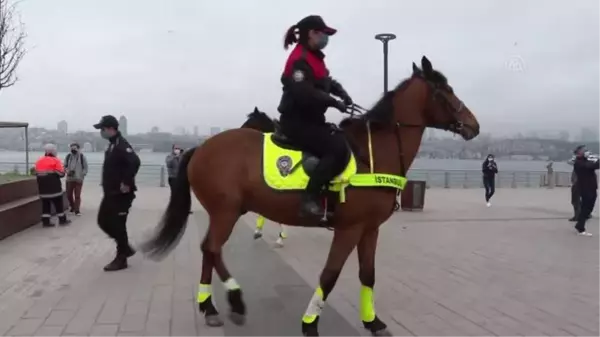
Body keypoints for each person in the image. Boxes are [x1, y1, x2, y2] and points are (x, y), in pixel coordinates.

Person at [277, 15, 353, 218]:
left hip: (311, 121)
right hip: (296, 122)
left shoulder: (314, 57)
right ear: (312, 33)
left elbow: (326, 80)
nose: (326, 38)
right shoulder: (298, 60)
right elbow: (305, 93)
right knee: (336, 148)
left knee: (341, 140)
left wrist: (342, 93)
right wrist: (333, 102)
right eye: (324, 34)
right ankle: (309, 198)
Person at [93, 115, 141, 271]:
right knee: (103, 221)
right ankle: (125, 247)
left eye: (102, 129)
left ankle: (121, 258)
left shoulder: (121, 145)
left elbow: (135, 162)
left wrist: (126, 182)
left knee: (119, 225)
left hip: (121, 195)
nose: (101, 132)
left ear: (111, 128)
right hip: (110, 193)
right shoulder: (112, 145)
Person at [34, 143, 71, 227]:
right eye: (55, 150)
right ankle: (62, 220)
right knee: (59, 205)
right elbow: (61, 174)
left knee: (45, 206)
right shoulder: (55, 160)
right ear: (53, 151)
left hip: (43, 189)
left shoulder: (39, 161)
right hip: (55, 189)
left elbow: (36, 173)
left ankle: (46, 222)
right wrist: (64, 171)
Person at [572, 145, 600, 236]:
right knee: (585, 208)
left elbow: (595, 165)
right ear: (579, 152)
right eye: (584, 150)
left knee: (589, 208)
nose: (586, 151)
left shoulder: (585, 160)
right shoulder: (578, 162)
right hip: (585, 188)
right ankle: (580, 227)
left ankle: (580, 224)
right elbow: (593, 166)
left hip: (592, 187)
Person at [64, 142, 88, 215]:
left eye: (74, 148)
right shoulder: (68, 156)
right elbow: (64, 166)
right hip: (69, 179)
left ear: (78, 149)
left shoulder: (82, 157)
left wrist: (82, 175)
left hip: (78, 179)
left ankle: (77, 210)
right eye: (71, 148)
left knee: (77, 195)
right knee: (68, 195)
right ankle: (72, 206)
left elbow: (85, 168)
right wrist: (67, 171)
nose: (73, 150)